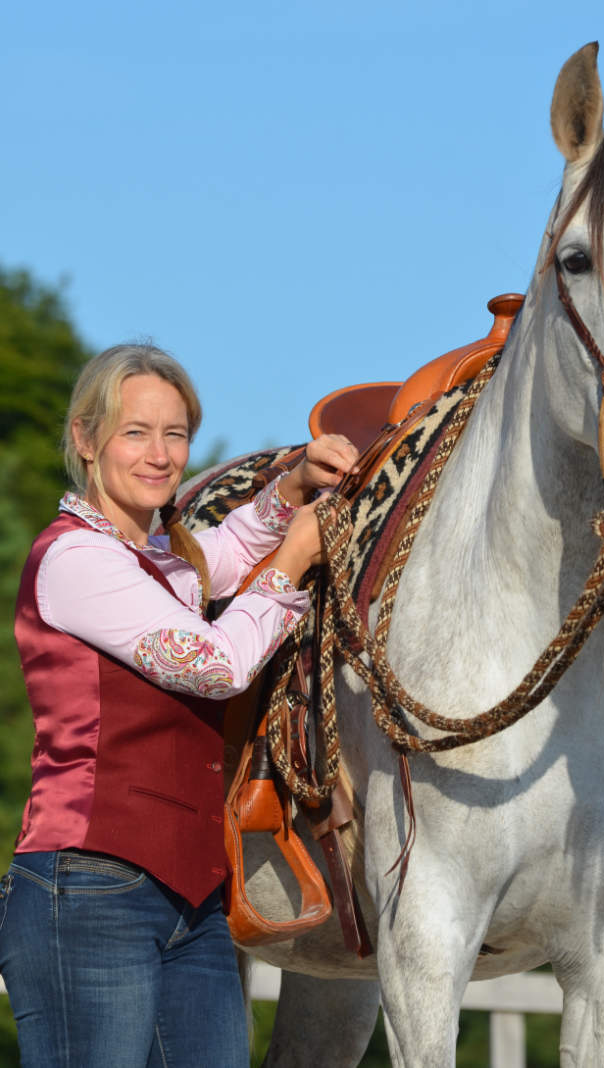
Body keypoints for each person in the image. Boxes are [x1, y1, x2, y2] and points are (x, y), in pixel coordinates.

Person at [0, 343, 358, 1067]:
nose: (160, 455)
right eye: (136, 432)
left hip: (191, 903)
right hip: (89, 889)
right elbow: (218, 666)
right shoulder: (75, 560)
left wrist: (289, 489)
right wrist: (293, 560)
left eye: (176, 434)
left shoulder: (158, 556)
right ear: (85, 438)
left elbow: (218, 556)